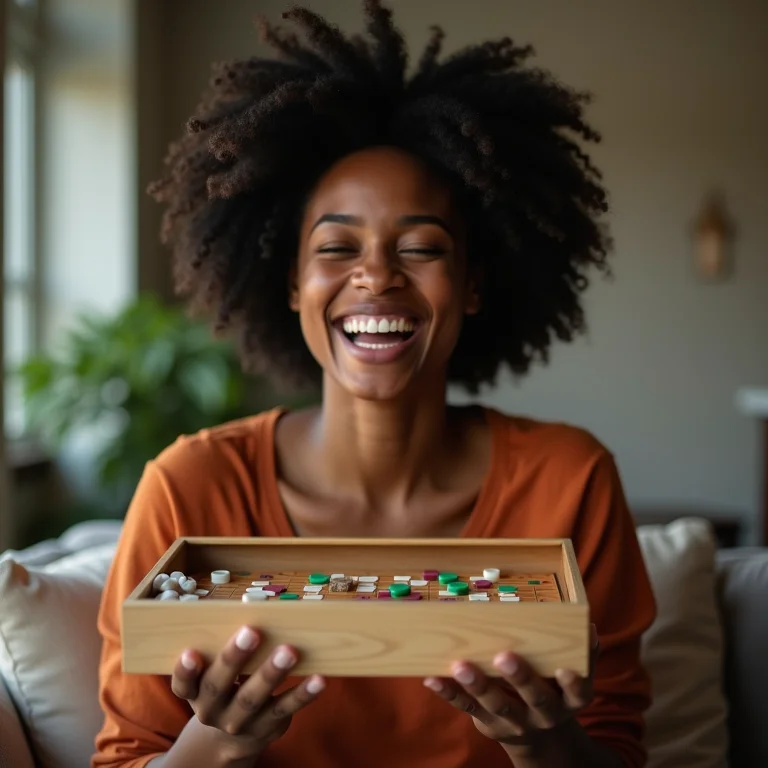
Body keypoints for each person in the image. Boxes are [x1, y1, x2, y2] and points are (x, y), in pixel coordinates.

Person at [92, 2, 656, 766]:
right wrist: (216, 742)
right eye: (336, 247)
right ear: (292, 282)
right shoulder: (190, 488)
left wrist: (546, 741)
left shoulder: (570, 482)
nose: (377, 275)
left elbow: (617, 746)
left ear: (474, 283)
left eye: (421, 246)